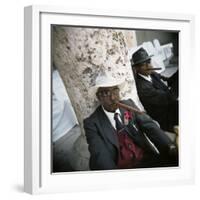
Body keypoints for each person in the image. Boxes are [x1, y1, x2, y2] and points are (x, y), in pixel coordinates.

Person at [83, 74, 178, 170]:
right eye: (106, 93)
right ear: (99, 97)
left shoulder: (128, 104)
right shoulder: (92, 123)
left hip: (146, 158)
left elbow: (150, 127)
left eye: (115, 90)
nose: (113, 98)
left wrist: (169, 147)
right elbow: (100, 154)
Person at [131, 47, 178, 132]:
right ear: (136, 68)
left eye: (149, 61)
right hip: (166, 118)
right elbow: (169, 97)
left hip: (172, 107)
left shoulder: (151, 73)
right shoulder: (143, 88)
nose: (148, 66)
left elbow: (168, 81)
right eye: (143, 64)